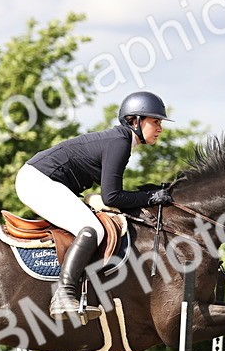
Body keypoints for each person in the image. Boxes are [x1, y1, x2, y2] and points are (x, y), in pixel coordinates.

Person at [15, 90, 174, 323]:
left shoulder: (120, 141)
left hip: (43, 179)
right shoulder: (120, 142)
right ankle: (63, 295)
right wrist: (150, 197)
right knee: (93, 228)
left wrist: (146, 195)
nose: (160, 128)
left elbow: (109, 195)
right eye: (155, 121)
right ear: (135, 121)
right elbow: (112, 197)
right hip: (38, 180)